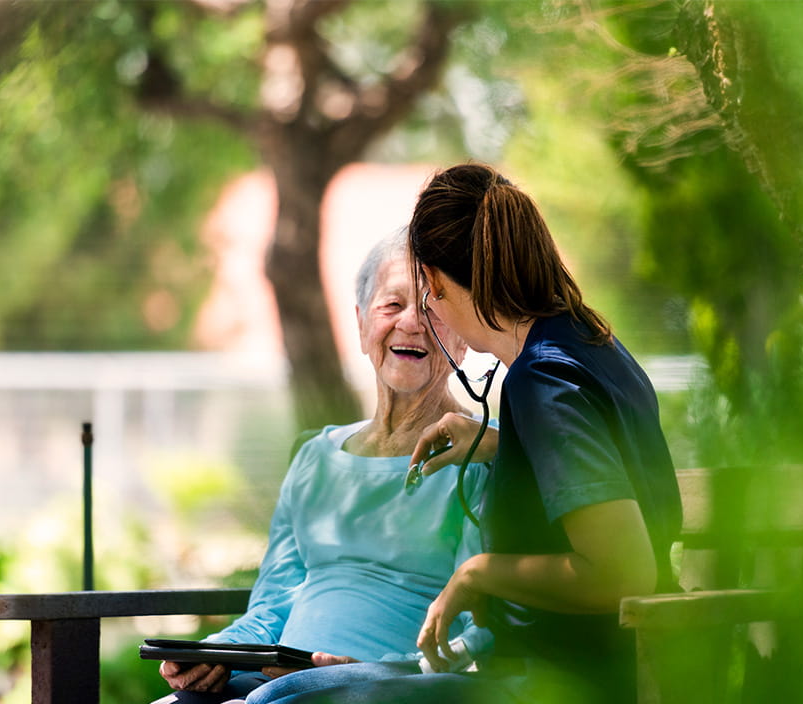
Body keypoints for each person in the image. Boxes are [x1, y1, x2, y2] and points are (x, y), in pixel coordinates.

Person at [260, 163, 682, 704]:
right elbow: (609, 464)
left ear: (436, 283)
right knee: (290, 691)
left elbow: (624, 572)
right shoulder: (588, 343)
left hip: (559, 680)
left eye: (426, 299)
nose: (423, 318)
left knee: (288, 700)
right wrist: (500, 444)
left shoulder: (543, 381)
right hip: (551, 668)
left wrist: (479, 574)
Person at [151, 229, 493, 704]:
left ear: (464, 338)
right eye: (391, 306)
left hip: (392, 689)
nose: (412, 323)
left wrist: (390, 672)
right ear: (360, 325)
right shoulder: (316, 458)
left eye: (433, 308)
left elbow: (484, 629)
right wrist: (213, 654)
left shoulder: (481, 455)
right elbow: (271, 606)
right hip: (273, 681)